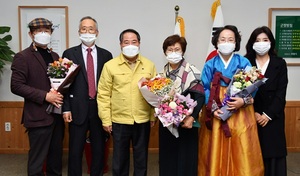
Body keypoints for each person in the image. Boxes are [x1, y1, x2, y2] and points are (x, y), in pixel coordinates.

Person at [198, 25, 264, 176]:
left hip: (240, 109)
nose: (226, 42)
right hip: (217, 108)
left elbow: (254, 85)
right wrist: (213, 108)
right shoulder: (210, 64)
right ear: (216, 42)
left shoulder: (244, 62)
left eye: (230, 39)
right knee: (215, 144)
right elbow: (205, 87)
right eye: (223, 39)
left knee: (241, 144)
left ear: (236, 42)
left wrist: (243, 101)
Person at [97, 29, 157, 176]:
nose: (130, 45)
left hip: (142, 119)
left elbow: (156, 94)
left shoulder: (149, 65)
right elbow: (103, 94)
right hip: (119, 119)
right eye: (126, 42)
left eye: (134, 42)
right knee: (119, 159)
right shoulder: (110, 66)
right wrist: (106, 119)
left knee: (141, 158)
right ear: (120, 45)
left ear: (139, 43)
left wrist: (152, 116)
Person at [10, 17, 65, 176]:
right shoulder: (23, 56)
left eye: (46, 31)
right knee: (37, 161)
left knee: (56, 159)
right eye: (38, 31)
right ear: (31, 34)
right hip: (37, 116)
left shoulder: (55, 56)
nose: (43, 34)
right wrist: (45, 96)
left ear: (51, 33)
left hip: (56, 115)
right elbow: (16, 86)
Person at [62, 16, 112, 176]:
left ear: (97, 32)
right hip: (76, 108)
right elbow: (64, 84)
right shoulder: (69, 53)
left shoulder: (106, 55)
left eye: (91, 29)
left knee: (99, 149)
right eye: (84, 29)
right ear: (79, 32)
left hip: (99, 108)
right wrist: (66, 108)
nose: (87, 32)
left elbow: (110, 86)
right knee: (75, 150)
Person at [158, 34, 205, 176]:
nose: (173, 53)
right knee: (168, 158)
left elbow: (200, 97)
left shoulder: (192, 71)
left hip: (187, 123)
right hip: (166, 123)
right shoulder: (160, 74)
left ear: (183, 51)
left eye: (177, 49)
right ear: (165, 52)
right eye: (170, 49)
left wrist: (192, 117)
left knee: (186, 159)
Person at [245, 26, 288, 176]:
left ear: (271, 42)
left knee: (273, 159)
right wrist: (255, 113)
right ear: (252, 43)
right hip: (250, 116)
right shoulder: (246, 62)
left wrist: (266, 115)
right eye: (257, 40)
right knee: (251, 156)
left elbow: (281, 94)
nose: (261, 43)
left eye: (265, 40)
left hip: (272, 118)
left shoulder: (280, 63)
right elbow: (240, 90)